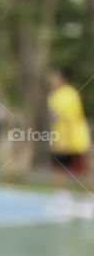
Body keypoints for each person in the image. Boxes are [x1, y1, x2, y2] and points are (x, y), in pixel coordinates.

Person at [47, 67, 93, 218]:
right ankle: (62, 200)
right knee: (58, 169)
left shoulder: (68, 94)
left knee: (81, 171)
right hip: (59, 138)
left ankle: (87, 201)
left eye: (54, 77)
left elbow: (69, 119)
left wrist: (65, 141)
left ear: (61, 77)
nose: (51, 81)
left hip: (74, 140)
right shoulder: (53, 96)